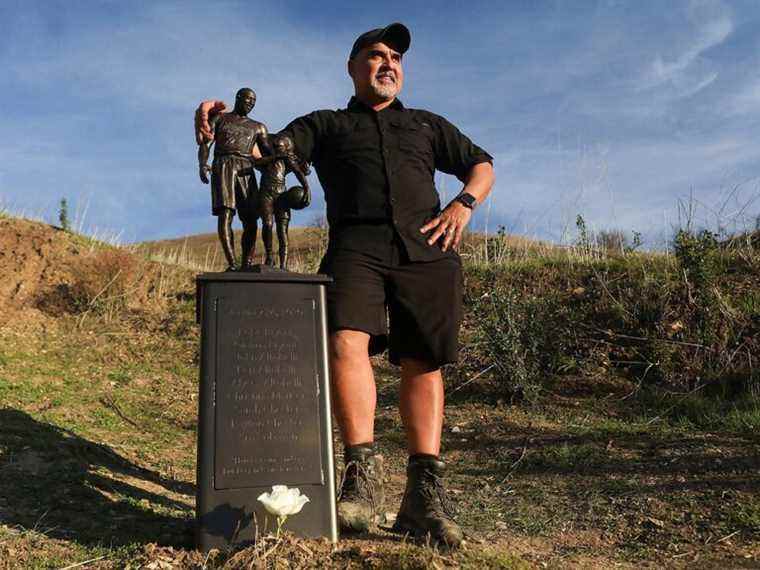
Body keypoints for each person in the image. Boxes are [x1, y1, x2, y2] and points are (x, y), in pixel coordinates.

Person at [195, 23, 494, 547]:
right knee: (343, 342)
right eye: (376, 55)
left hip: (427, 248)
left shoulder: (426, 124)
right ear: (353, 67)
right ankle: (361, 480)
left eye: (396, 57)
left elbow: (481, 164)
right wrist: (223, 125)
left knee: (424, 360)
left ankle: (424, 498)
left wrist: (462, 205)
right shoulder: (327, 124)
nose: (388, 64)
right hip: (357, 247)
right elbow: (271, 150)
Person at [197, 87, 269, 270]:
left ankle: (247, 263)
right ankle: (232, 263)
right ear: (238, 98)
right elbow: (206, 143)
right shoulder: (220, 118)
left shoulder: (258, 127)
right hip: (224, 164)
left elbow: (269, 154)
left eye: (253, 102)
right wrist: (203, 163)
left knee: (252, 219)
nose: (250, 104)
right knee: (226, 213)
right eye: (248, 100)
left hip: (246, 167)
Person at [251, 133, 311, 269]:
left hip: (281, 195)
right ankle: (269, 257)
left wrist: (307, 187)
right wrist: (276, 157)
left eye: (282, 147)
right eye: (277, 146)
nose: (279, 149)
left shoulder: (287, 161)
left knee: (282, 230)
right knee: (267, 224)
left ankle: (283, 264)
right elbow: (256, 162)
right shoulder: (268, 159)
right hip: (266, 193)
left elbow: (299, 172)